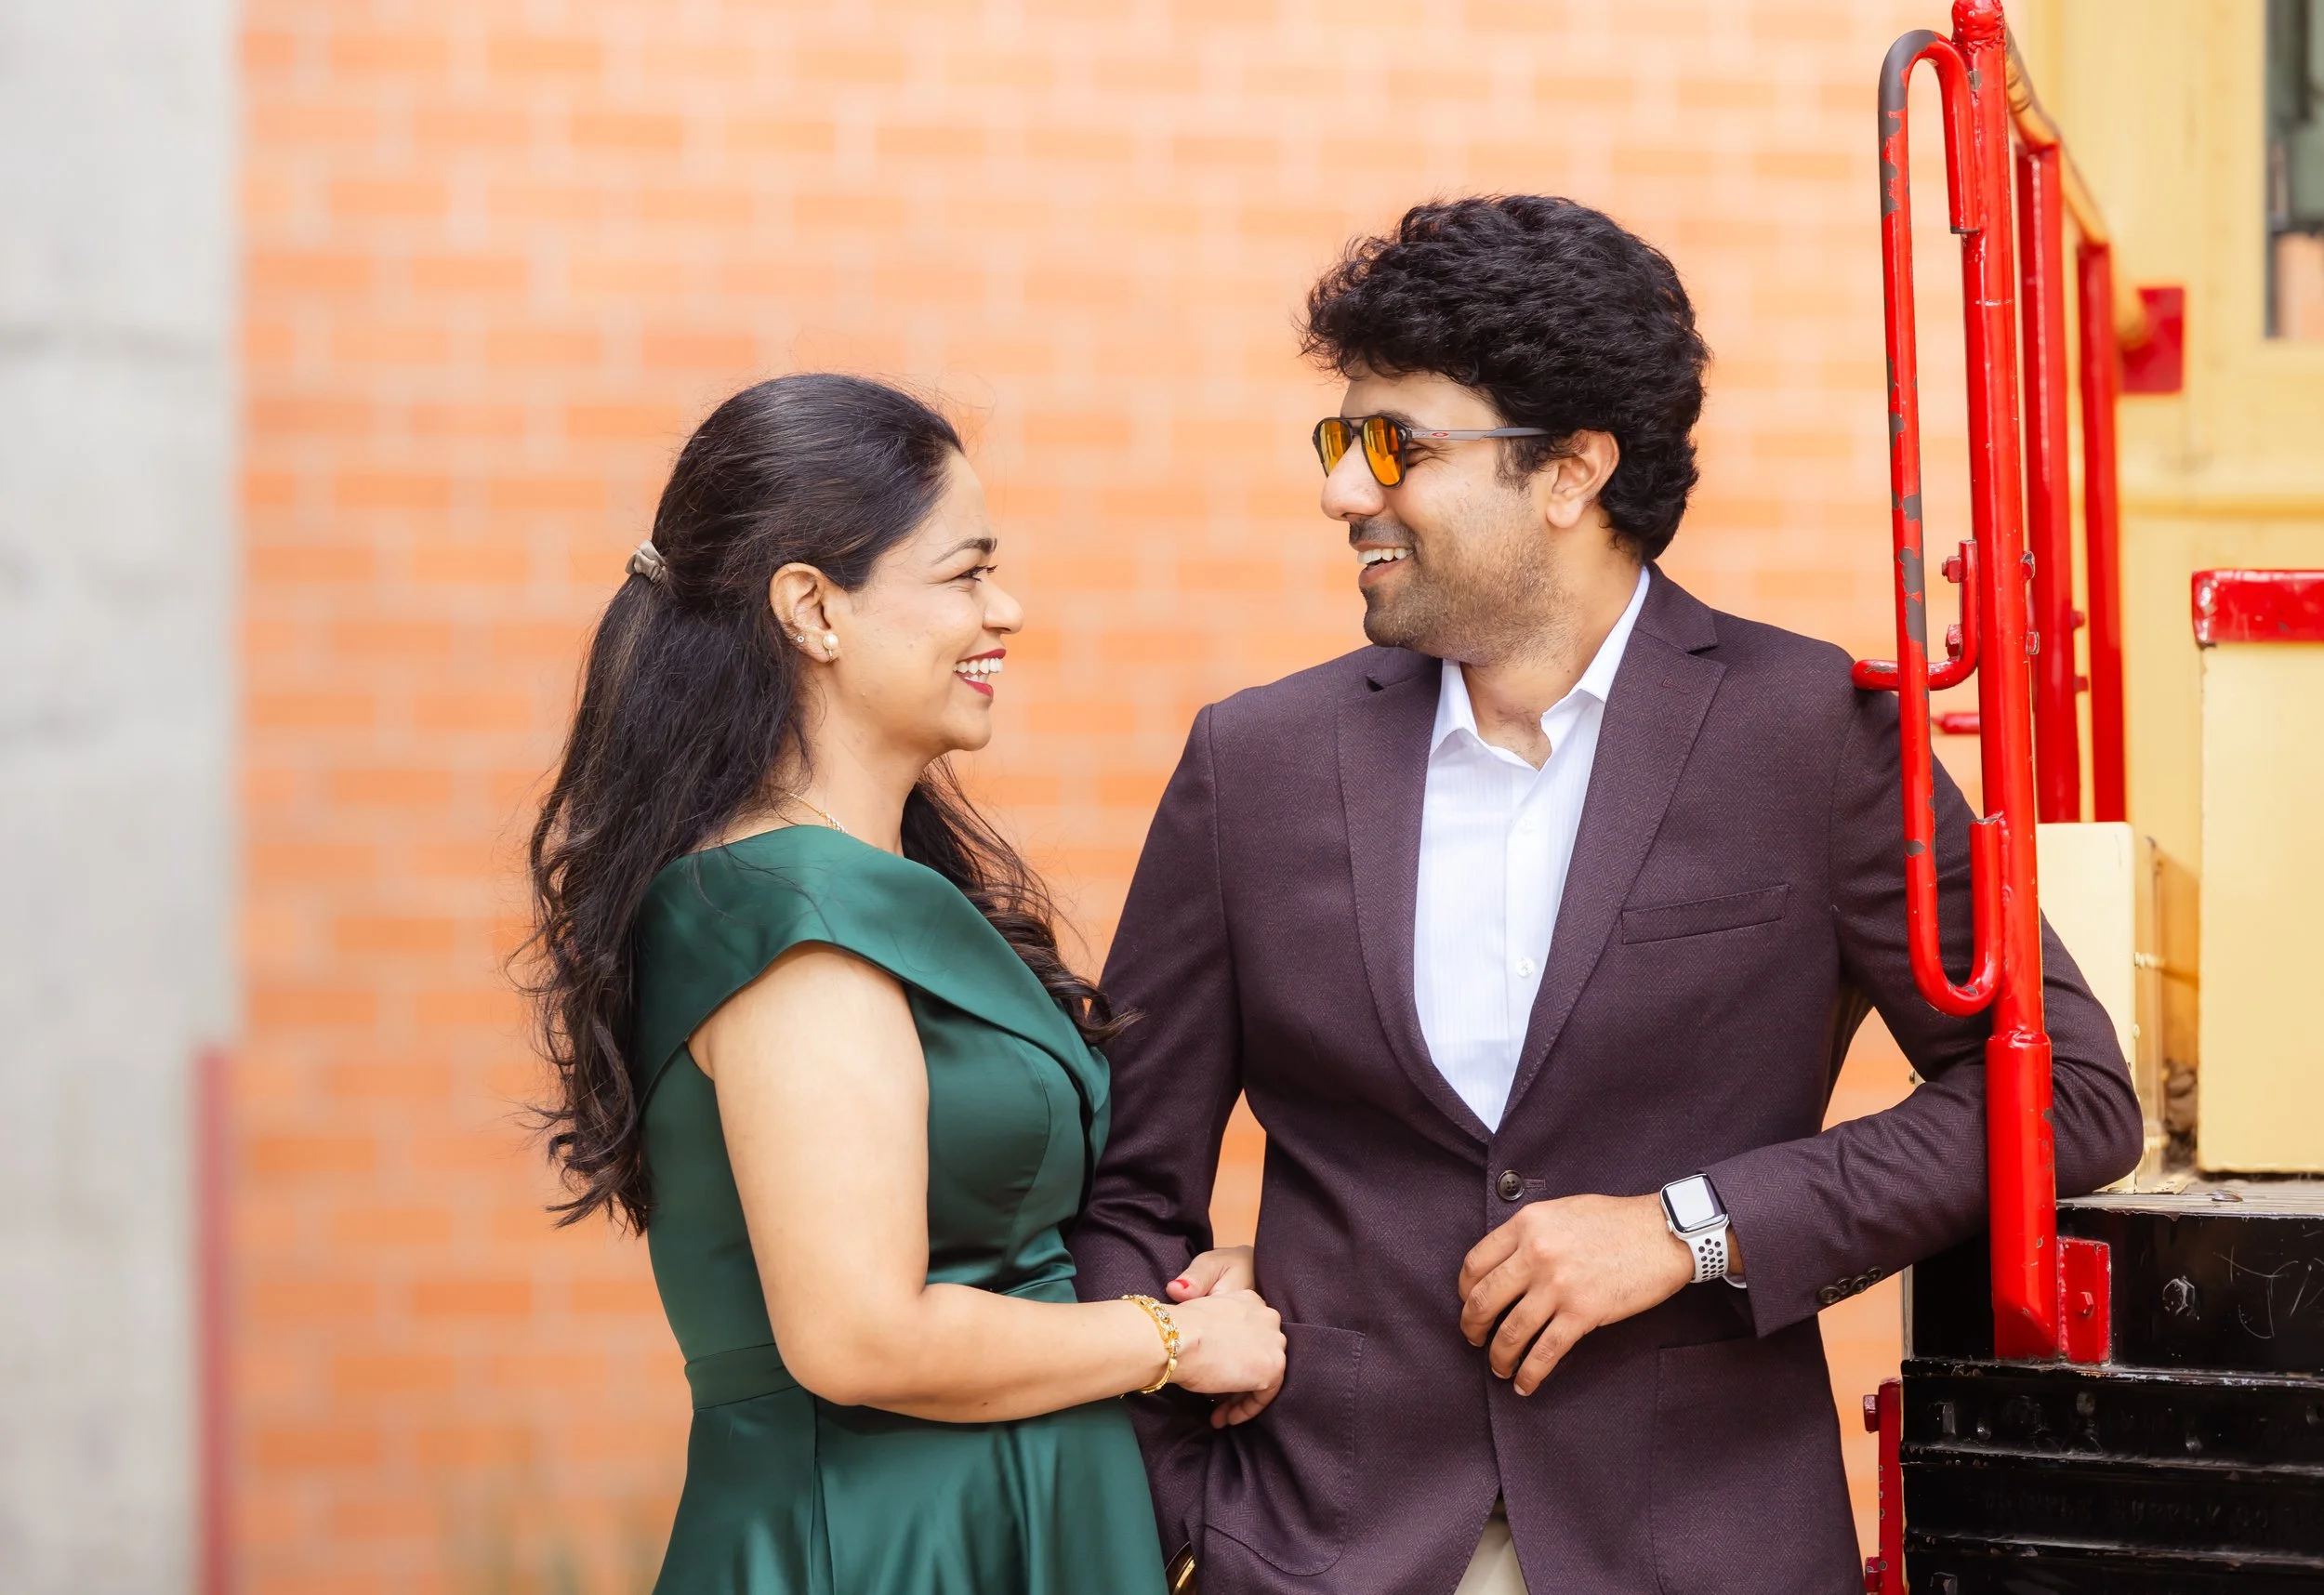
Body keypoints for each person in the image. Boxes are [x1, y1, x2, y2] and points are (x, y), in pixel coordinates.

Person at [1068, 197, 2144, 1595]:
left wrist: (1694, 1228)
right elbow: (1125, 1195)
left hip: (1699, 1543)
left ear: (1571, 471)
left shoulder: (1812, 736)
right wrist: (1184, 1515)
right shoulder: (1255, 765)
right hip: (1319, 1550)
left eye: (1394, 444)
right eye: (1341, 443)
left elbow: (2066, 1094)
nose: (1344, 491)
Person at [525, 374, 1286, 1594]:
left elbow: (984, 1248)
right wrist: (1171, 1340)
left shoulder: (855, 892)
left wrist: (1190, 1288)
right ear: (813, 609)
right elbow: (859, 1334)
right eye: (965, 574)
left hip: (986, 1513)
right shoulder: (796, 929)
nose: (1009, 610)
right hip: (892, 1544)